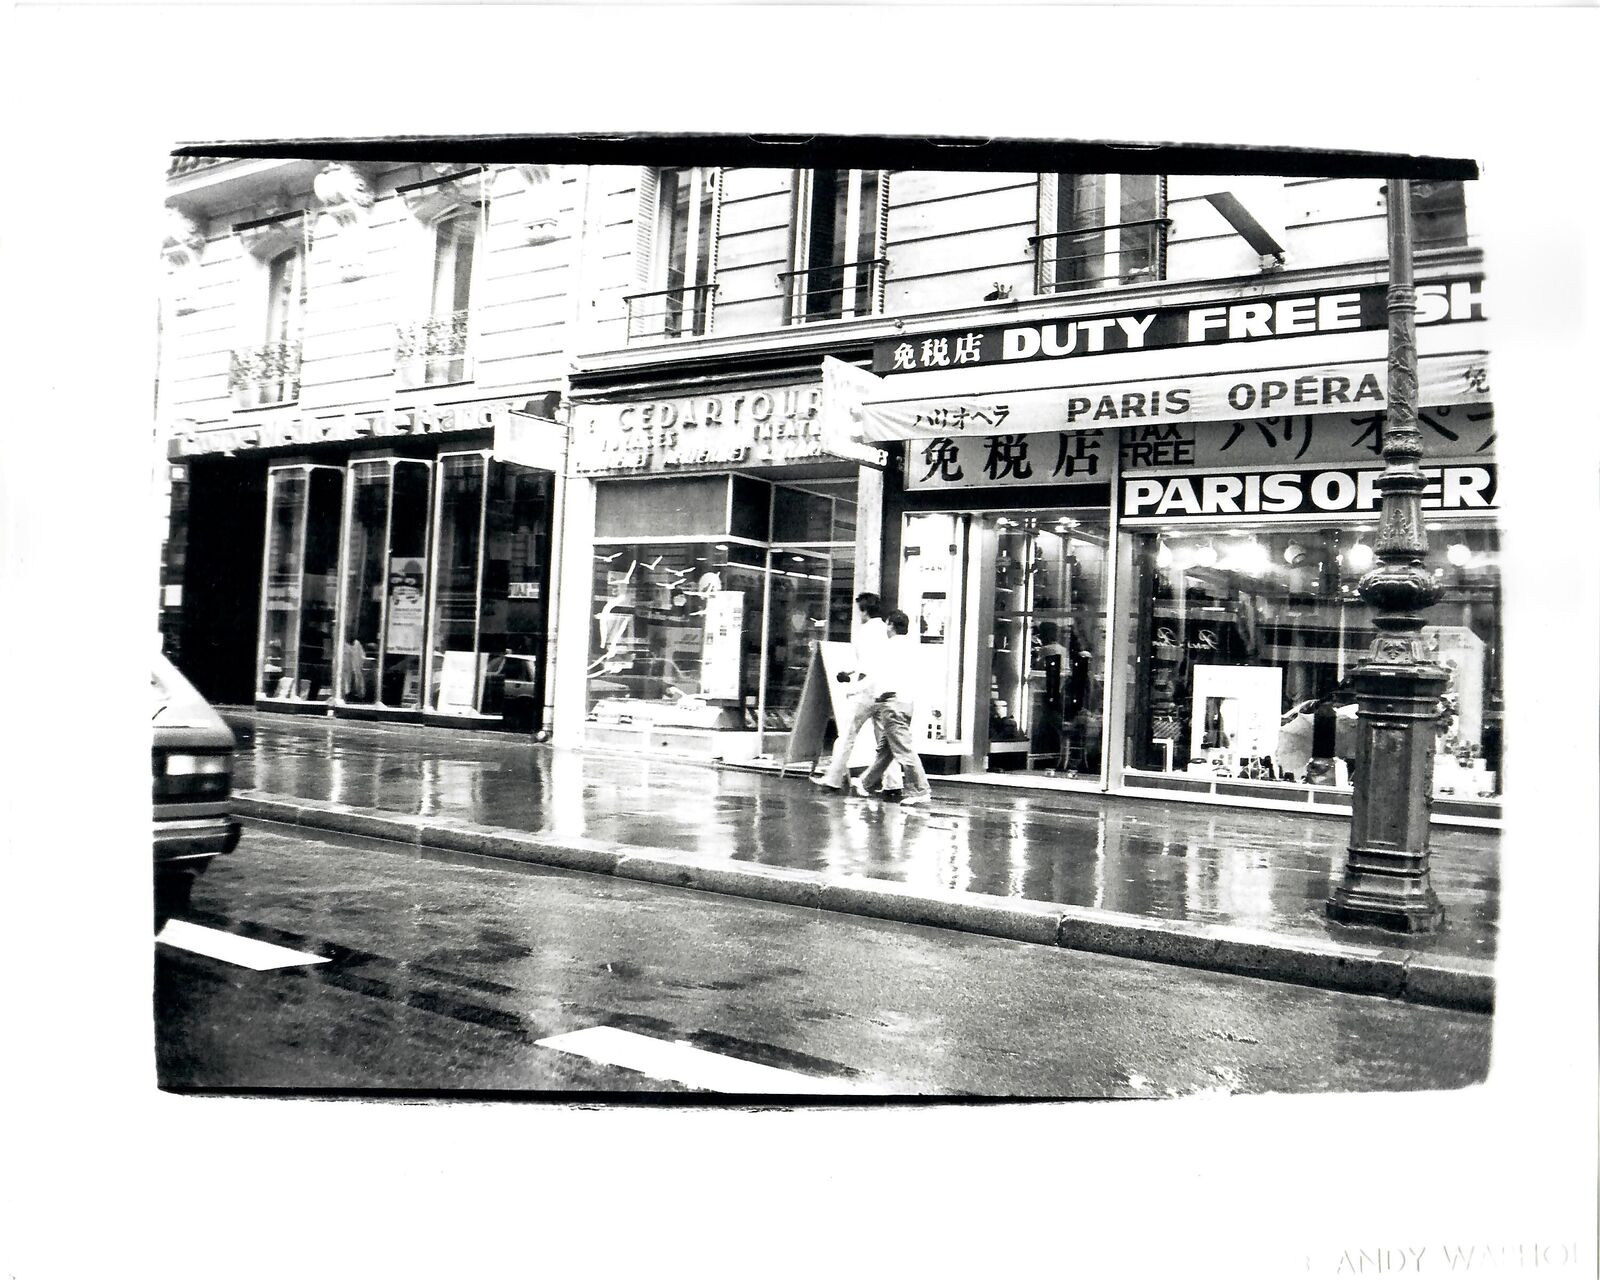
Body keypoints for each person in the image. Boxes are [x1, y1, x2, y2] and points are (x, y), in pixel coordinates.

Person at [853, 609, 932, 807]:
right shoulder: (913, 648)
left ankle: (921, 790)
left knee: (903, 750)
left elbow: (873, 675)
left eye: (887, 625)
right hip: (906, 704)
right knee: (886, 750)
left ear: (890, 625)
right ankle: (865, 782)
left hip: (891, 704)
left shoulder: (887, 647)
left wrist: (853, 690)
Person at [814, 592, 889, 794]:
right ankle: (892, 784)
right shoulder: (886, 630)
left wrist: (848, 677)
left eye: (859, 610)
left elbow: (862, 663)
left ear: (864, 611)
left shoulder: (863, 632)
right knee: (885, 740)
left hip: (865, 689)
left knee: (847, 736)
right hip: (883, 690)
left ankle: (833, 779)